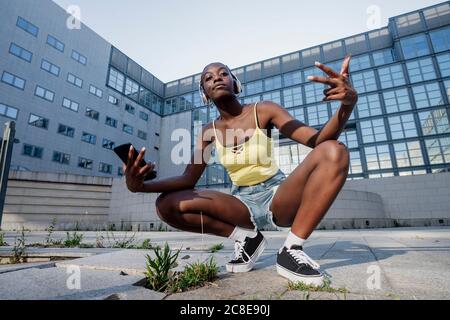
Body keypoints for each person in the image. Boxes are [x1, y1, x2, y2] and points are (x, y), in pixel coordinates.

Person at [123, 58, 358, 286]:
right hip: (241, 203)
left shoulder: (264, 110)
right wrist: (140, 186)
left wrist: (347, 105)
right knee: (166, 205)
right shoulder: (208, 132)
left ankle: (291, 249)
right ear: (204, 93)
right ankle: (247, 239)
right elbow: (189, 178)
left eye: (223, 73)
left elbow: (318, 140)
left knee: (333, 150)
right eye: (208, 78)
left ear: (235, 83)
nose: (217, 79)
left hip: (277, 195)